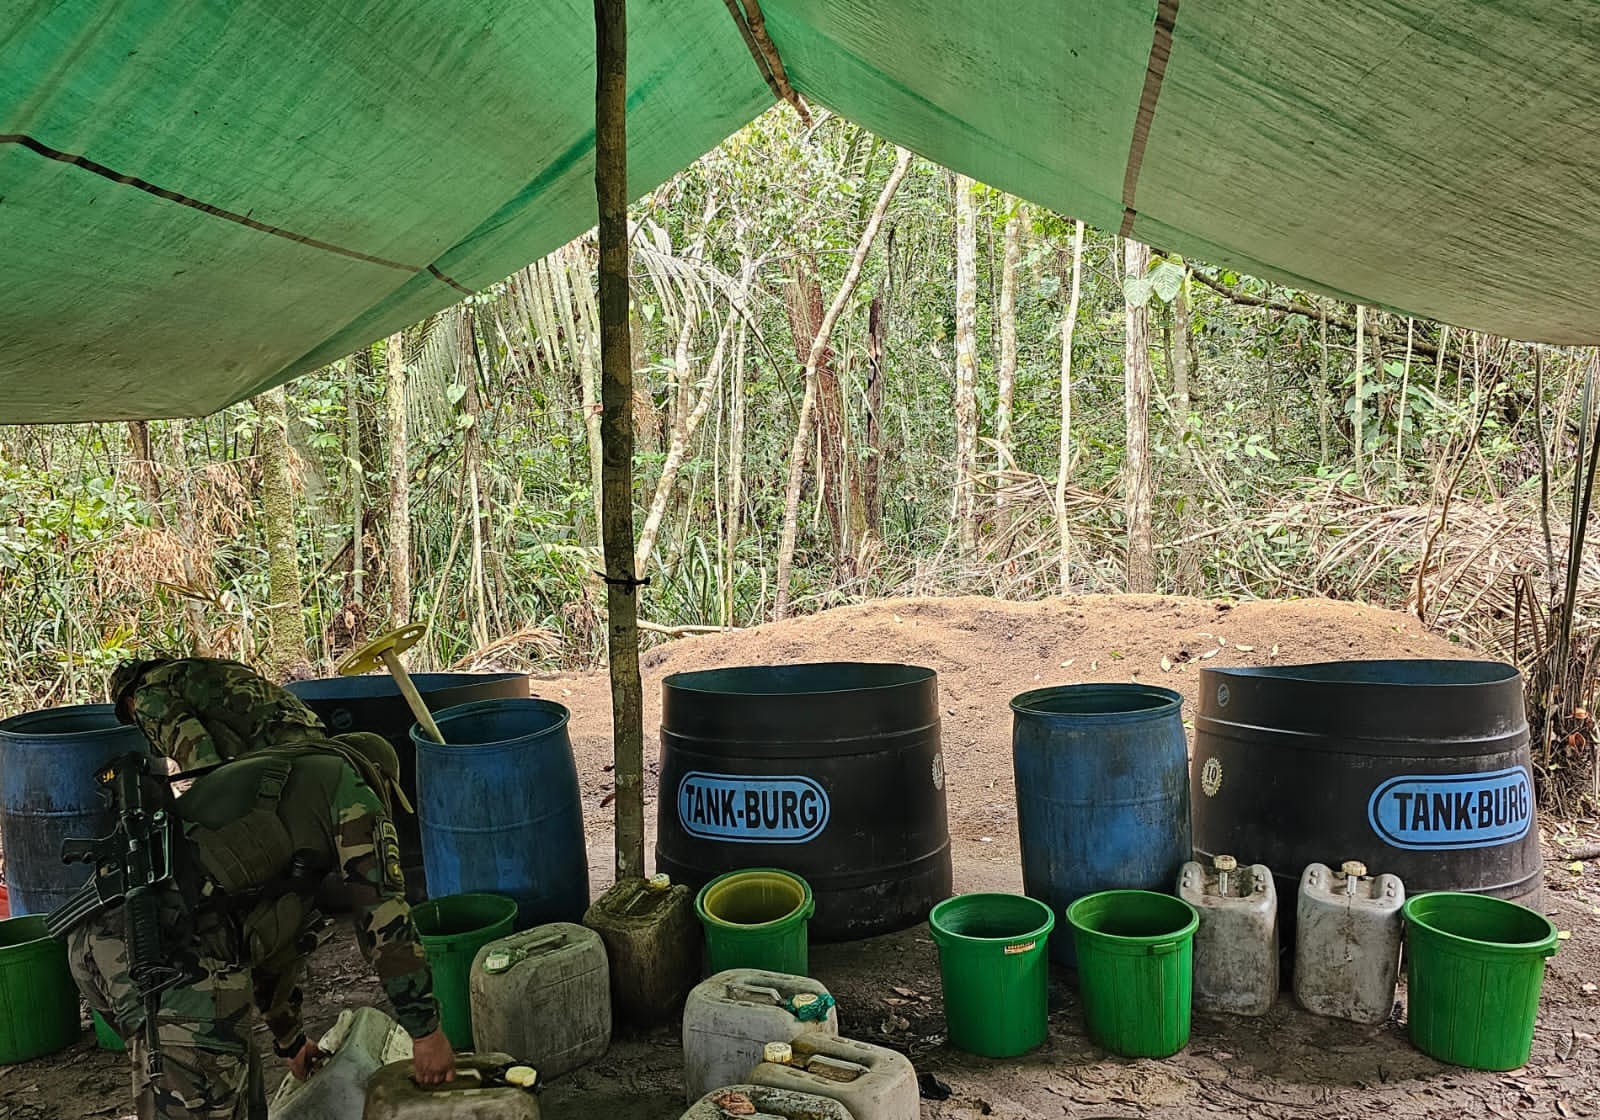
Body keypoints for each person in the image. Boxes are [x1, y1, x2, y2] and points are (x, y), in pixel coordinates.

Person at [63, 672, 455, 1118]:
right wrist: (426, 1032)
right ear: (379, 778)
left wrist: (291, 1040)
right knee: (201, 1081)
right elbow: (382, 914)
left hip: (101, 937)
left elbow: (269, 940)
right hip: (163, 951)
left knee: (228, 1079)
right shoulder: (349, 786)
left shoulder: (279, 784)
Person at [107, 658, 329, 774]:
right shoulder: (192, 669)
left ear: (129, 702)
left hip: (277, 749)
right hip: (314, 732)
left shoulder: (147, 694)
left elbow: (197, 752)